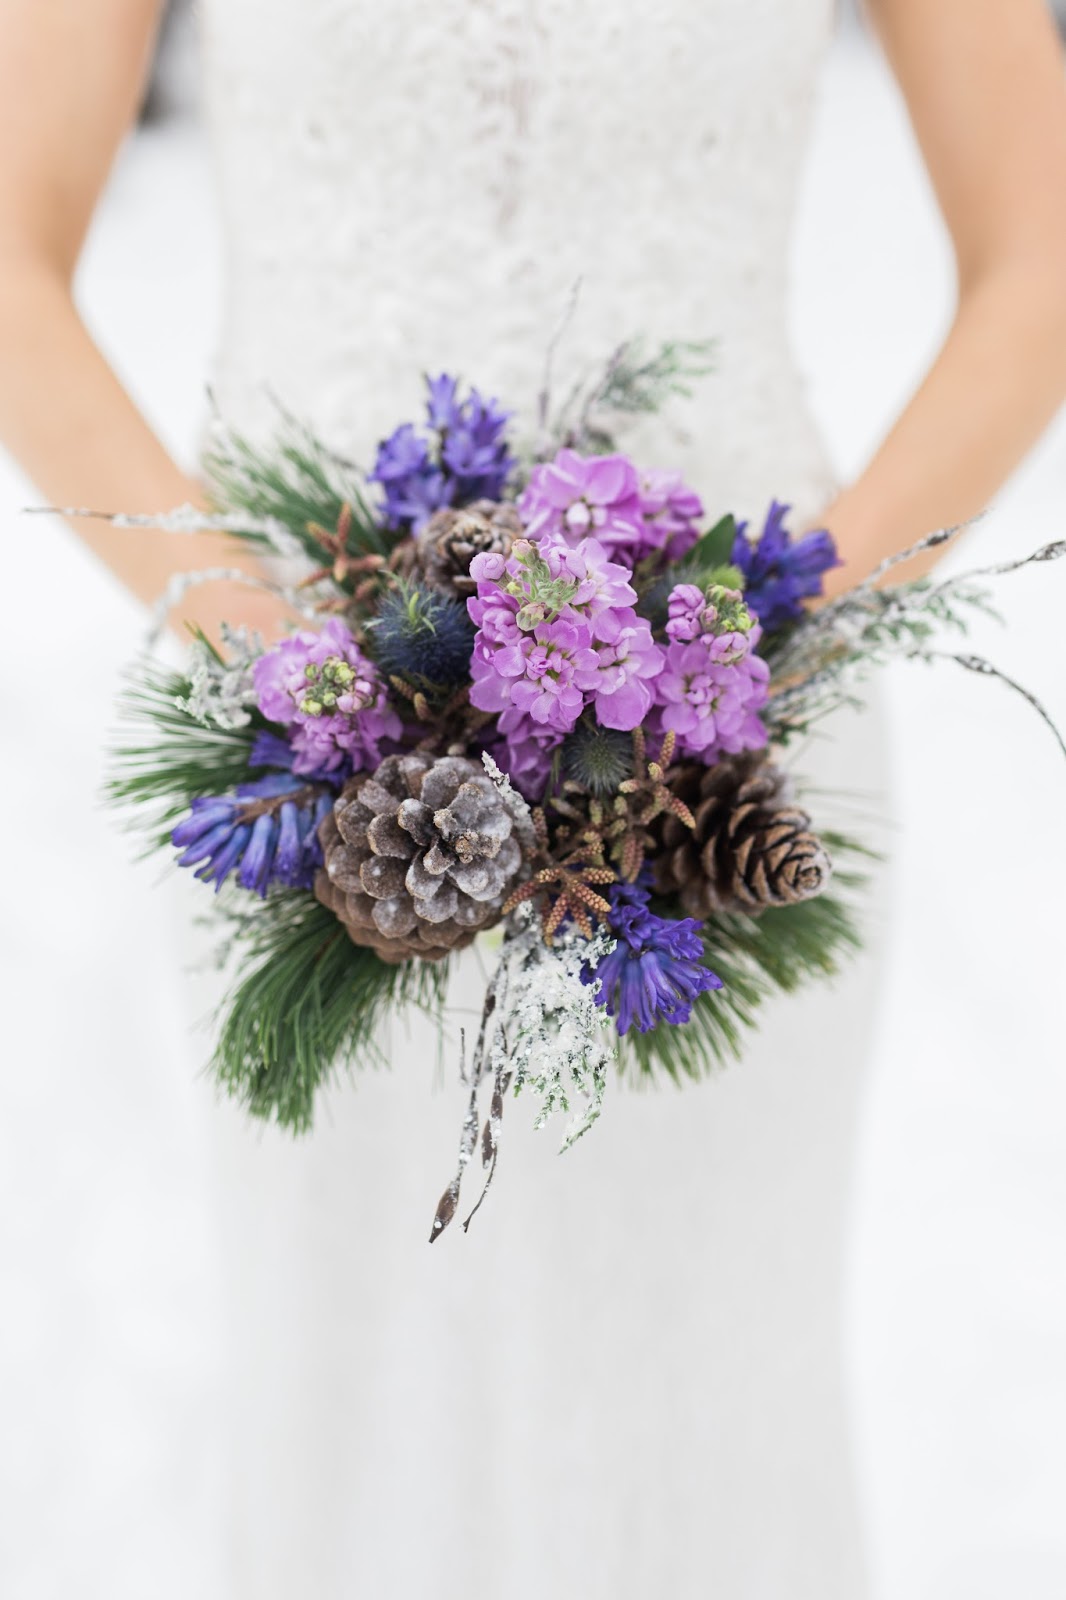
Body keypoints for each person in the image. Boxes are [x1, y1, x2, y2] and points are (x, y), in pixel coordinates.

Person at [0, 3, 1064, 1597]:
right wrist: (275, 650)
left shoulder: (737, 698)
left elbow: (1035, 258)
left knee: (700, 1388)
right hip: (303, 766)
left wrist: (757, 630)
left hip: (729, 753)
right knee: (356, 1388)